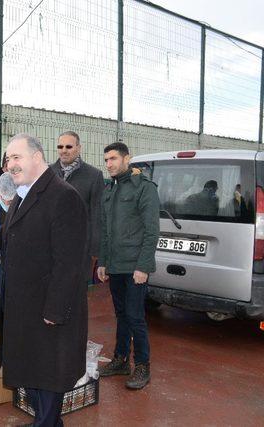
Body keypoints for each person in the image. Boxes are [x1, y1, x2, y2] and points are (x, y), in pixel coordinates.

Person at [0, 133, 88, 427]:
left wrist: (55, 310)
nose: (10, 164)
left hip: (46, 307)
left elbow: (70, 262)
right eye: (8, 159)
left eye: (16, 157)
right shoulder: (23, 194)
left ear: (37, 157)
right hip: (22, 304)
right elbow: (10, 236)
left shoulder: (63, 196)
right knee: (31, 373)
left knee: (47, 376)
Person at [97, 142, 160, 390]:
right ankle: (121, 359)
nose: (109, 164)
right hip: (115, 265)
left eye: (113, 159)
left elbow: (151, 231)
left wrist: (143, 266)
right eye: (106, 160)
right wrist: (102, 262)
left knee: (135, 316)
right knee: (122, 315)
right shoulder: (109, 191)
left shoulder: (144, 189)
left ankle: (142, 365)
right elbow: (105, 232)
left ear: (127, 159)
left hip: (135, 266)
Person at [50, 131, 104, 281]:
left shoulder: (94, 175)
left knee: (78, 298)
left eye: (69, 146)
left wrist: (95, 252)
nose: (64, 150)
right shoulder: (47, 173)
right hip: (51, 250)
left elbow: (97, 215)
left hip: (80, 252)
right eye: (60, 146)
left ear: (79, 148)